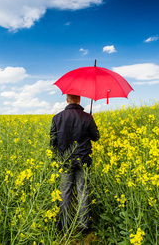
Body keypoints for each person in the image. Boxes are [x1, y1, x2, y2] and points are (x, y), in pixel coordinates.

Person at [49, 94, 100, 233]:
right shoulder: (87, 117)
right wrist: (92, 122)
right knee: (83, 192)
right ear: (79, 100)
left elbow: (52, 142)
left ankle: (64, 225)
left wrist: (58, 157)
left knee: (65, 193)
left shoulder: (57, 118)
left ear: (67, 100)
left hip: (65, 161)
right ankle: (84, 226)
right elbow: (95, 138)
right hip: (83, 161)